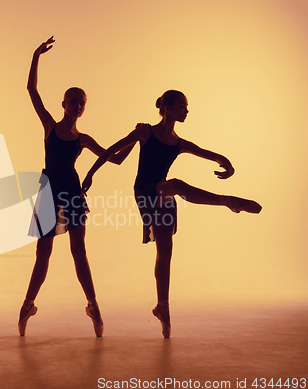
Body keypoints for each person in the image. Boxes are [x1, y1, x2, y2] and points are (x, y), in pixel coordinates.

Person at [81, 90, 261, 338]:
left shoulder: (179, 143)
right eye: (182, 106)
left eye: (186, 107)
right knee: (174, 185)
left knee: (165, 250)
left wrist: (226, 161)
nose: (186, 110)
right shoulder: (145, 132)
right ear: (167, 108)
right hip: (146, 191)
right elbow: (111, 150)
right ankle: (225, 201)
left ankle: (162, 307)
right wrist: (90, 175)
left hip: (164, 196)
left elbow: (208, 153)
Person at [18, 37, 136, 337]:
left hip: (72, 194)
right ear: (63, 104)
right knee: (43, 252)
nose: (78, 106)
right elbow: (31, 90)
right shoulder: (49, 126)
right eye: (73, 101)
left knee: (79, 251)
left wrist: (136, 137)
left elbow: (117, 159)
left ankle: (94, 307)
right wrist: (35, 56)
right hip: (49, 193)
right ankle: (27, 305)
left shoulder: (83, 139)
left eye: (82, 103)